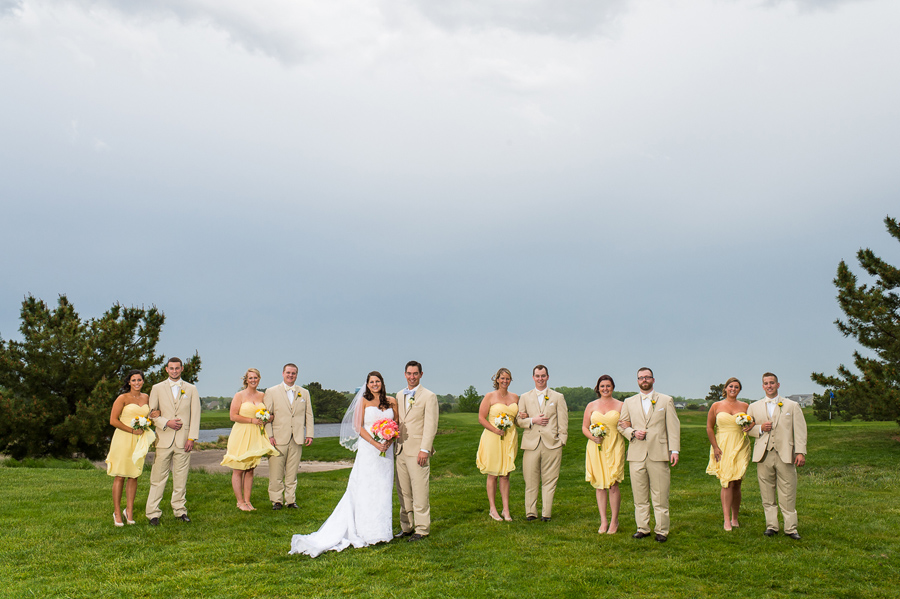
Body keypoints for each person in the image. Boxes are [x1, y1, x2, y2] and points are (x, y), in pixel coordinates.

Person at [289, 372, 398, 558]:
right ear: (367, 384)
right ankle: (365, 531)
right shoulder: (363, 401)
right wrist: (375, 443)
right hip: (369, 449)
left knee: (383, 488)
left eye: (377, 381)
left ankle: (382, 531)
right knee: (365, 488)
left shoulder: (392, 401)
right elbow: (358, 427)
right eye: (371, 382)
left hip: (386, 450)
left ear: (382, 383)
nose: (374, 384)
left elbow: (396, 423)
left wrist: (389, 438)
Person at [618, 367, 680, 542]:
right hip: (636, 454)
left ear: (653, 379)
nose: (644, 380)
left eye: (647, 377)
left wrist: (674, 450)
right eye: (640, 378)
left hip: (659, 453)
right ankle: (642, 528)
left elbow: (673, 427)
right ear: (637, 381)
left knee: (660, 495)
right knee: (639, 495)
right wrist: (632, 432)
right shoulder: (629, 402)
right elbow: (621, 425)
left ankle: (662, 530)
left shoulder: (666, 400)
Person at [744, 372, 808, 540]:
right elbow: (747, 429)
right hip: (763, 455)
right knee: (767, 492)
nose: (769, 386)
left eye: (772, 383)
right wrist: (759, 429)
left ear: (778, 385)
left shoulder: (791, 406)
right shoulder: (754, 407)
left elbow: (800, 431)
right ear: (762, 386)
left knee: (788, 491)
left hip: (786, 454)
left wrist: (800, 451)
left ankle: (791, 528)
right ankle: (771, 526)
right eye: (766, 383)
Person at [146, 357, 201, 526]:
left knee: (181, 477)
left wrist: (191, 437)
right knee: (158, 477)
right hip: (164, 439)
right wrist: (165, 422)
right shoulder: (157, 388)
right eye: (172, 368)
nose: (175, 371)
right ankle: (153, 513)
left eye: (177, 368)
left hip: (183, 440)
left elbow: (195, 414)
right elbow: (151, 413)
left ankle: (180, 510)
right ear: (166, 369)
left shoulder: (191, 389)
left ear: (182, 369)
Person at [105, 369, 158, 526]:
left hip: (139, 440)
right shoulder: (122, 398)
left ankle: (129, 511)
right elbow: (113, 420)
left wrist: (153, 417)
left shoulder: (146, 397)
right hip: (123, 438)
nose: (137, 383)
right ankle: (116, 512)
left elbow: (148, 416)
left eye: (139, 380)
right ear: (129, 382)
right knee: (120, 475)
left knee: (134, 475)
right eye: (133, 380)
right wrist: (132, 430)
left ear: (143, 381)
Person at [394, 360, 439, 542]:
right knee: (403, 491)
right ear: (404, 374)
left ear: (421, 374)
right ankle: (406, 526)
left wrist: (424, 449)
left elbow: (431, 425)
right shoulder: (398, 395)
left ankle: (422, 528)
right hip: (400, 450)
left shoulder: (429, 396)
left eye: (415, 373)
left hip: (418, 451)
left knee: (420, 491)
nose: (412, 377)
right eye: (409, 373)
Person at [515, 364, 568, 522]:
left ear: (548, 377)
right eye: (537, 376)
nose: (540, 379)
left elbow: (563, 422)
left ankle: (546, 513)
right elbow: (518, 420)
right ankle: (530, 512)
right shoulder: (524, 397)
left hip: (552, 444)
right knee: (530, 479)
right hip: (531, 443)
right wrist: (532, 420)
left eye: (543, 376)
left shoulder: (557, 397)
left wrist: (561, 441)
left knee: (550, 480)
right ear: (533, 377)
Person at [221, 368, 277, 511]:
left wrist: (268, 418)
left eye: (256, 378)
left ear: (259, 379)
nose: (253, 380)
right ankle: (240, 502)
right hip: (241, 433)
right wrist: (252, 420)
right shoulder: (239, 395)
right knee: (239, 469)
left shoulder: (262, 395)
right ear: (246, 380)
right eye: (250, 378)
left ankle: (248, 500)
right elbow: (233, 416)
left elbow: (269, 413)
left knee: (251, 469)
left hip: (256, 435)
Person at [264, 363, 315, 510]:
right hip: (278, 438)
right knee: (276, 472)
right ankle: (276, 500)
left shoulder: (304, 393)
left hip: (297, 437)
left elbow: (309, 414)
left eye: (293, 373)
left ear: (297, 375)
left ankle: (291, 501)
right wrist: (270, 435)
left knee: (292, 472)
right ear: (283, 373)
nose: (290, 375)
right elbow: (267, 416)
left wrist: (309, 434)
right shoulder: (272, 391)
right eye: (288, 373)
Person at [705, 377, 751, 531]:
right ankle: (726, 520)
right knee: (727, 482)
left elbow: (752, 422)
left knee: (737, 481)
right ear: (725, 389)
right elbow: (710, 427)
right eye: (730, 386)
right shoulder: (716, 406)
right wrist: (715, 447)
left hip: (740, 445)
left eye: (736, 387)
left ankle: (735, 518)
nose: (733, 389)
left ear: (739, 390)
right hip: (723, 445)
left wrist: (750, 426)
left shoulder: (745, 406)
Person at [582, 374, 626, 534]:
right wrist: (593, 437)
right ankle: (603, 521)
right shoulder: (591, 405)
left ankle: (614, 521)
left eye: (608, 386)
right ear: (598, 388)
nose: (605, 389)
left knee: (613, 484)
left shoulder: (621, 405)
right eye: (602, 386)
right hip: (596, 446)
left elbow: (627, 424)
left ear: (612, 387)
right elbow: (584, 427)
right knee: (600, 485)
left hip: (615, 445)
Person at [475, 368, 519, 522]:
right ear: (497, 380)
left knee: (506, 474)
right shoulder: (490, 396)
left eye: (508, 378)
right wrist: (495, 430)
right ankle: (493, 509)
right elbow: (481, 418)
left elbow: (517, 419)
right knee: (493, 473)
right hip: (493, 438)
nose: (505, 381)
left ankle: (506, 510)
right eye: (502, 378)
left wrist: (523, 416)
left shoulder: (515, 397)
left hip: (509, 438)